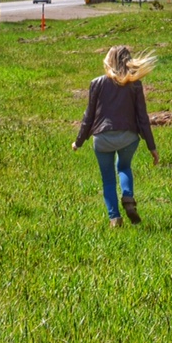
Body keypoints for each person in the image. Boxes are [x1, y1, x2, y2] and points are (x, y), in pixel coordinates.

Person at [72, 45, 160, 226]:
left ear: (108, 61)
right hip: (129, 137)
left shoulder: (96, 83)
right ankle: (128, 199)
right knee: (124, 168)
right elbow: (143, 117)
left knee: (108, 179)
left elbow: (88, 116)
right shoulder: (135, 84)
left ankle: (114, 218)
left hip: (102, 138)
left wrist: (78, 142)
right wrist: (152, 147)